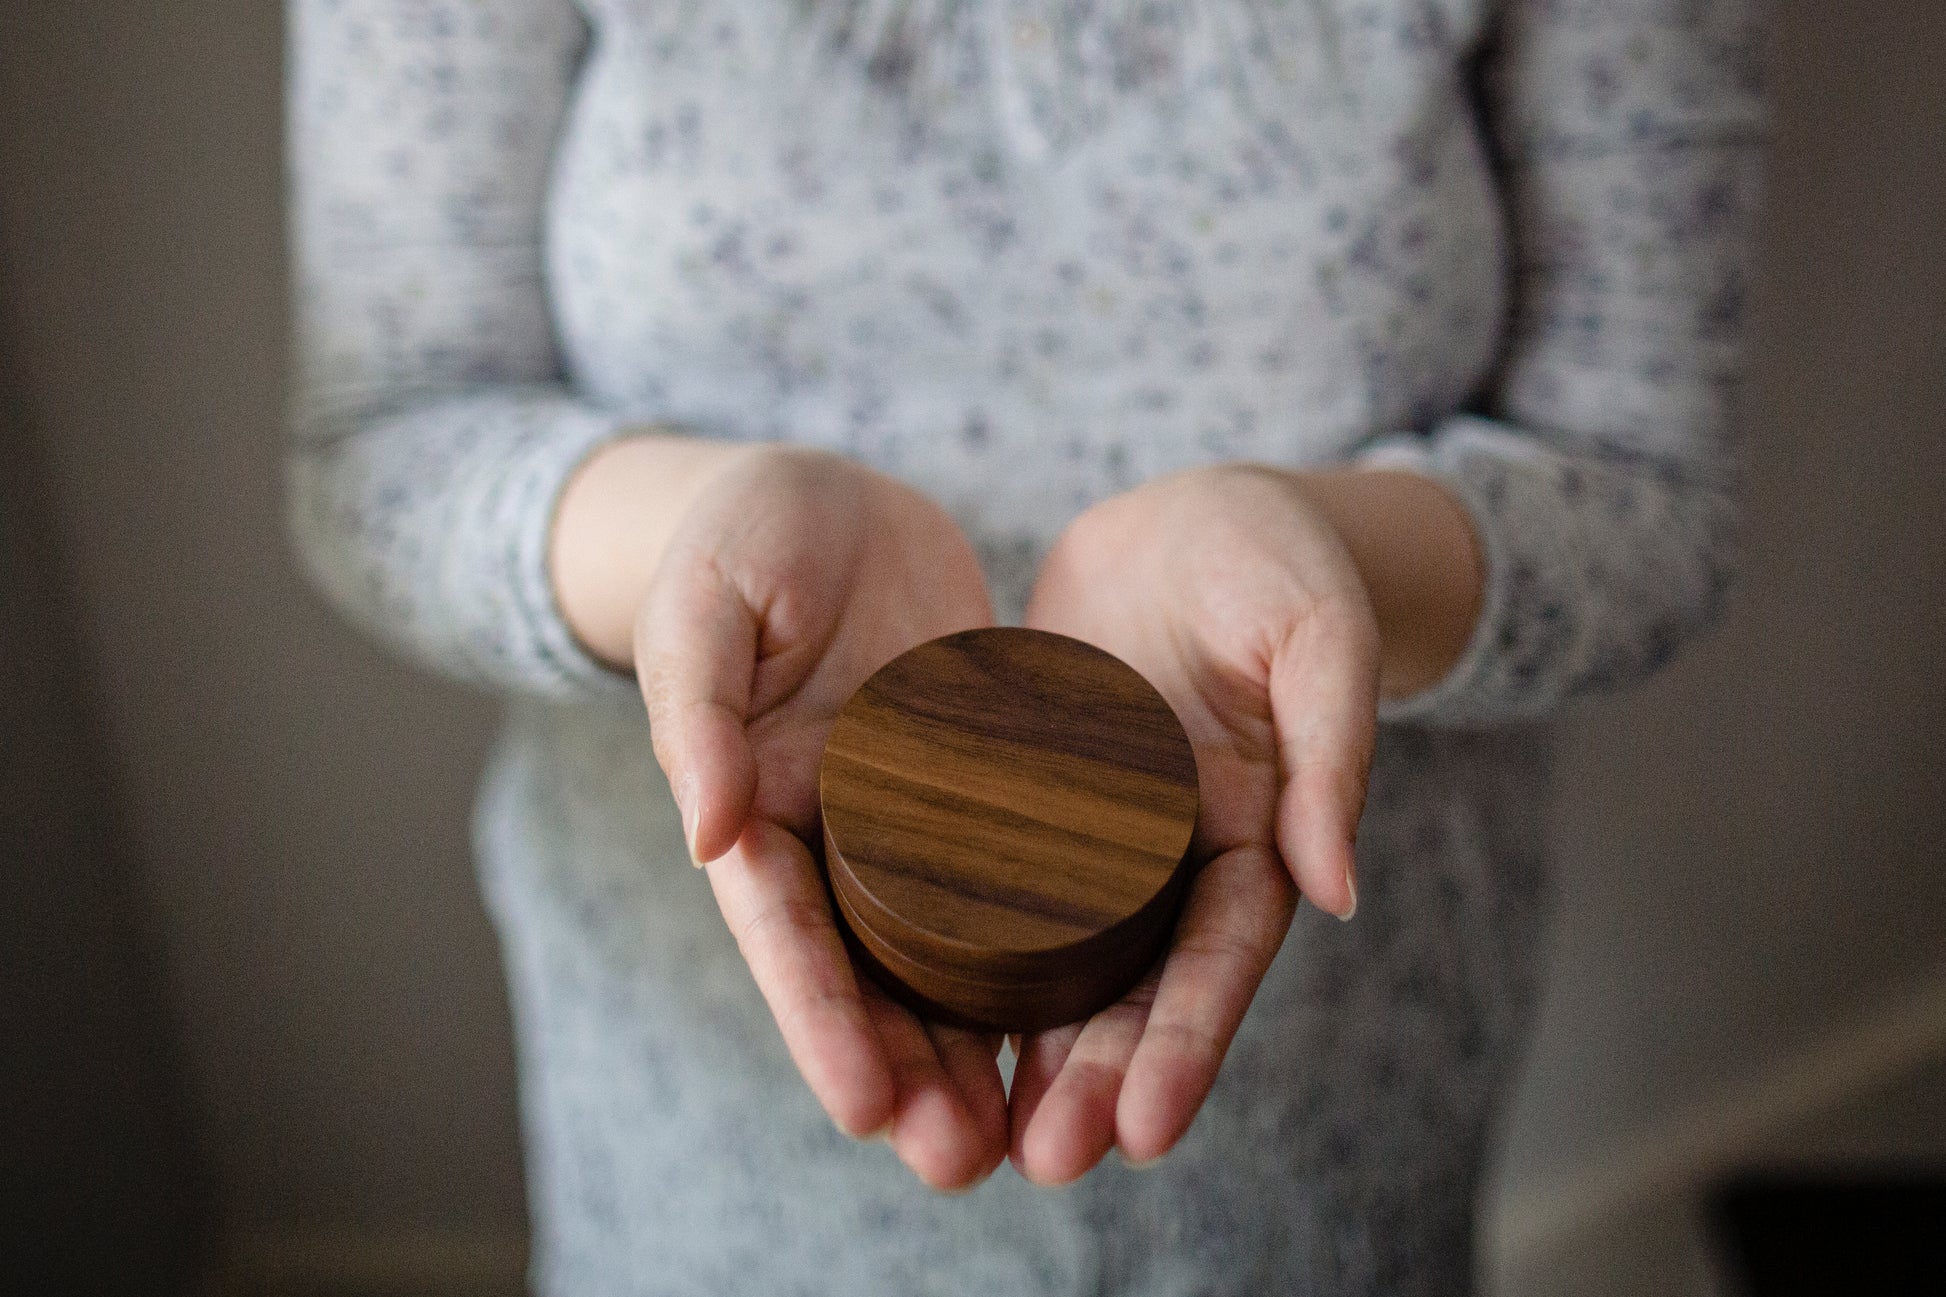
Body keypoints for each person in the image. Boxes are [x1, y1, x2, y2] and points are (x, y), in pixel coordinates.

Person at [285, 1, 1765, 1292]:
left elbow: (1643, 491)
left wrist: (1327, 555)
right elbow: (391, 442)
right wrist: (691, 537)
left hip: (1330, 1077)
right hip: (700, 1071)